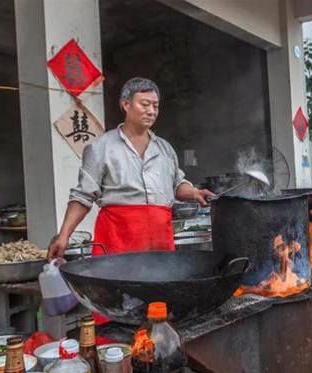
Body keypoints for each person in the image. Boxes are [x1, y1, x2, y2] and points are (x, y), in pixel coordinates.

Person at [47, 77, 214, 260]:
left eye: (155, 106)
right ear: (126, 104)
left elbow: (176, 184)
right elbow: (83, 196)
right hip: (118, 238)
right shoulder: (102, 147)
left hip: (160, 241)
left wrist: (194, 193)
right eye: (145, 104)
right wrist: (64, 236)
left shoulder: (165, 149)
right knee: (118, 285)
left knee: (159, 285)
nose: (151, 111)